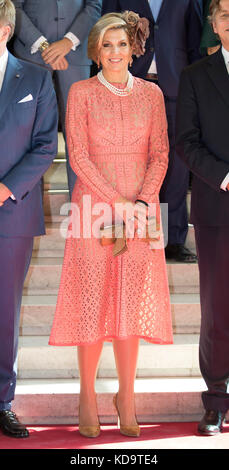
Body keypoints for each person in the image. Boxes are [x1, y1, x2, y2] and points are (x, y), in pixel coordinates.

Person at [49, 11, 173, 438]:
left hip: (140, 212)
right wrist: (118, 201)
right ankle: (86, 394)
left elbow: (160, 153)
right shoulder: (81, 93)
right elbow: (78, 157)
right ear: (95, 52)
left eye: (122, 44)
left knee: (129, 307)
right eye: (107, 45)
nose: (116, 52)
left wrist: (140, 202)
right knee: (92, 305)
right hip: (92, 211)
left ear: (133, 48)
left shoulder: (152, 95)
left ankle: (126, 396)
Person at [101, 1, 202, 263]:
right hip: (130, 84)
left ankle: (173, 240)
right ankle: (129, 235)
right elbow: (104, 31)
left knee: (176, 167)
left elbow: (194, 42)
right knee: (129, 163)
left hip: (176, 88)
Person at [0, 0, 58, 438]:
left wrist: (4, 188)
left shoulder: (36, 78)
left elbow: (43, 146)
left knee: (4, 313)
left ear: (5, 29)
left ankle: (1, 401)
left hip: (12, 213)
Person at [176, 0, 229, 436]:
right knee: (218, 311)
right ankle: (216, 401)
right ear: (213, 23)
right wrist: (224, 176)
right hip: (218, 205)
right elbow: (186, 142)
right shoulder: (195, 76)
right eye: (226, 13)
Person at [12, 0, 102, 198]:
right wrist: (42, 45)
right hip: (31, 54)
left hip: (76, 54)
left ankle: (81, 208)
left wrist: (68, 42)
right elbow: (13, 7)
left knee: (78, 135)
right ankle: (27, 210)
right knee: (28, 133)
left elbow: (94, 5)